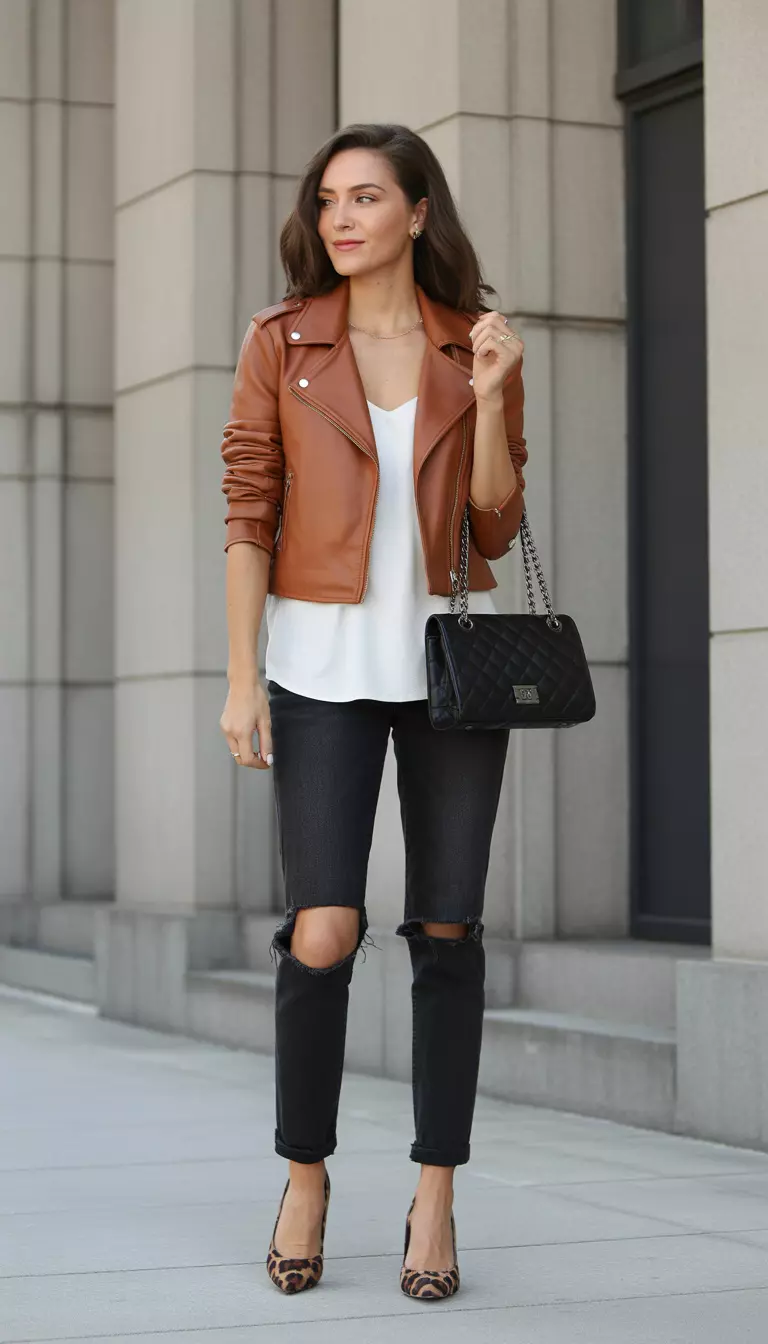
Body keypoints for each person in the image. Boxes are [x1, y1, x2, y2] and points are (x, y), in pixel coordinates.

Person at [218, 122, 526, 1301]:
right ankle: (307, 1175)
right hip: (317, 670)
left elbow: (493, 523)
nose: (341, 216)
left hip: (450, 677)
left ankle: (436, 1198)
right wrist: (243, 677)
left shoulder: (473, 344)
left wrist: (492, 398)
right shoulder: (280, 344)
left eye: (366, 197)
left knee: (447, 932)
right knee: (323, 930)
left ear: (417, 213)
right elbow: (248, 512)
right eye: (328, 199)